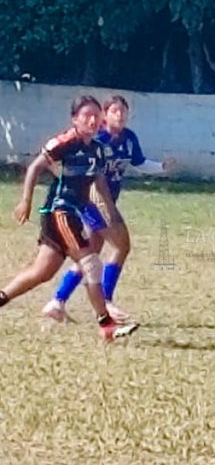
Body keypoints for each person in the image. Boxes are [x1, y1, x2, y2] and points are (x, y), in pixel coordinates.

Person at [0, 95, 138, 342]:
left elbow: (99, 181)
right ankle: (106, 324)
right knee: (91, 263)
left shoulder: (97, 149)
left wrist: (111, 211)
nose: (93, 120)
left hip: (72, 212)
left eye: (97, 115)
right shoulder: (65, 142)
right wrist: (26, 201)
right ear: (75, 119)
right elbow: (35, 167)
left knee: (42, 272)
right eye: (87, 115)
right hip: (60, 211)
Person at [42, 95, 174, 323]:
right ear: (105, 115)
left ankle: (58, 301)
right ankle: (106, 301)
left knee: (91, 253)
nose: (120, 115)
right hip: (95, 202)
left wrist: (161, 167)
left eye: (123, 111)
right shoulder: (98, 139)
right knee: (122, 245)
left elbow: (138, 162)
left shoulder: (129, 139)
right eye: (114, 111)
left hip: (108, 201)